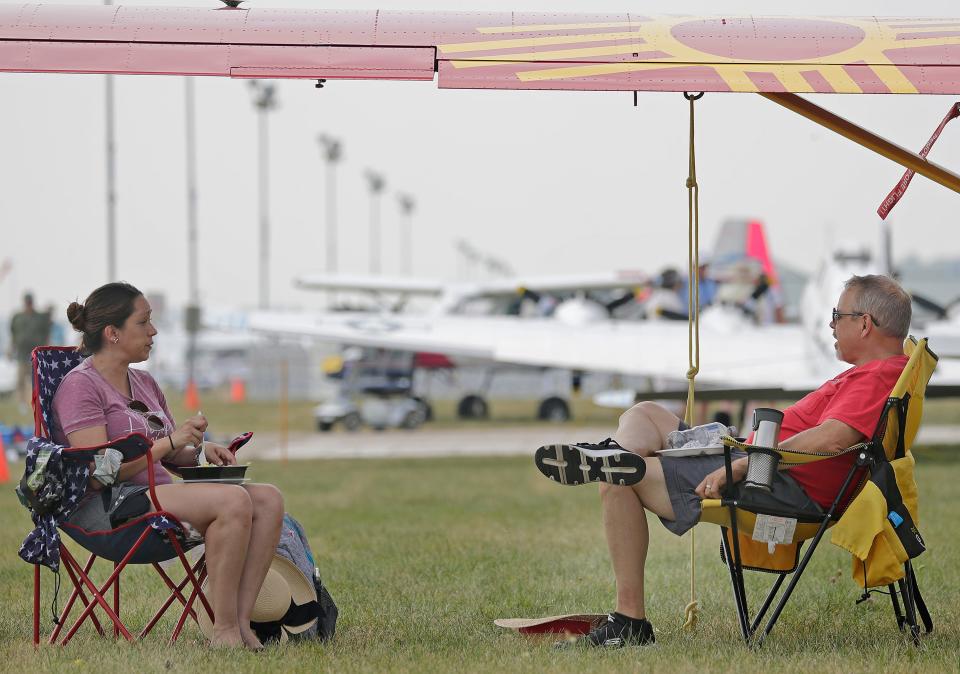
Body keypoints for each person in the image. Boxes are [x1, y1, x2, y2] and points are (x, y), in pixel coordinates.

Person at [533, 274, 912, 648]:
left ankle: (629, 620)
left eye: (837, 314)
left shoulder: (875, 378)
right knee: (646, 413)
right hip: (754, 458)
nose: (831, 323)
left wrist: (747, 462)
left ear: (864, 325)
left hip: (769, 481)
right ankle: (614, 454)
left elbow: (833, 438)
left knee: (618, 481)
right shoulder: (875, 374)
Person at [52, 282, 284, 650]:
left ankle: (241, 624)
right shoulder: (80, 387)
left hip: (159, 500)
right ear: (112, 333)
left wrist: (201, 451)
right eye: (143, 322)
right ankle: (223, 632)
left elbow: (170, 455)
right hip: (110, 511)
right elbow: (96, 473)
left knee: (269, 499)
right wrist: (170, 442)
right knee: (233, 503)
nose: (153, 331)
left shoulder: (144, 382)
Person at [9, 292, 52, 410]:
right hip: (22, 354)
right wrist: (10, 349)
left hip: (35, 354)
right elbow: (13, 334)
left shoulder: (40, 317)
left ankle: (35, 401)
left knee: (35, 380)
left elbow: (47, 331)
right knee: (20, 380)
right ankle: (22, 403)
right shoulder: (17, 316)